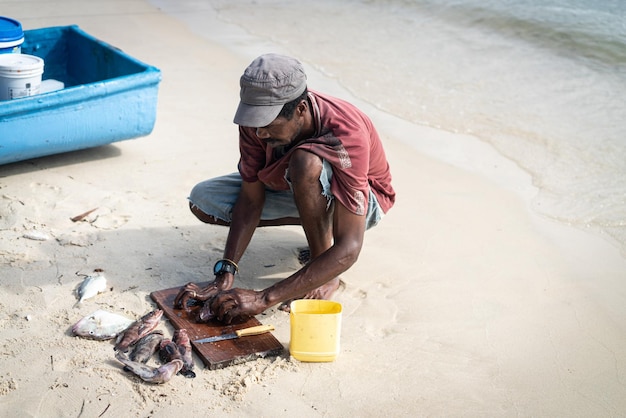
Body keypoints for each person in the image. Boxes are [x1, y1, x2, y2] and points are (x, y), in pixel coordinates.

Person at [174, 53, 395, 323]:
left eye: (268, 125)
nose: (260, 134)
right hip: (292, 183)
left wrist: (264, 298)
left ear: (301, 109)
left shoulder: (346, 131)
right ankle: (321, 246)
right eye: (255, 123)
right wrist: (226, 271)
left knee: (305, 162)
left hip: (361, 203)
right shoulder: (256, 124)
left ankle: (324, 265)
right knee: (204, 201)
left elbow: (350, 246)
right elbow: (251, 198)